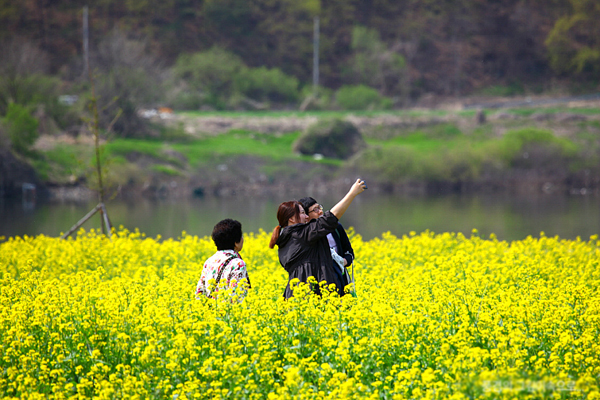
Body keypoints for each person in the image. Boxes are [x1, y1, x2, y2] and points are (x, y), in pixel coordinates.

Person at [269, 179, 366, 299]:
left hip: (297, 296)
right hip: (311, 295)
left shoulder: (286, 239)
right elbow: (330, 218)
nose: (306, 217)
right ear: (292, 219)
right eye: (303, 213)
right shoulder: (300, 235)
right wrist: (352, 194)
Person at [299, 196, 355, 287]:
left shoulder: (336, 227)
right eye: (315, 210)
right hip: (317, 282)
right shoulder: (305, 235)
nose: (320, 211)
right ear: (306, 216)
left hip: (340, 279)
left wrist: (342, 262)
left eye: (319, 207)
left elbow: (349, 253)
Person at [196, 219, 250, 300]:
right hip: (228, 311)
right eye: (241, 235)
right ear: (236, 242)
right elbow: (237, 296)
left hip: (210, 311)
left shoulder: (209, 261)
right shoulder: (238, 264)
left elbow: (199, 293)